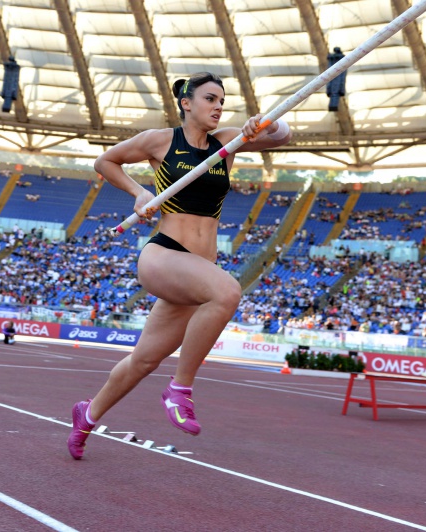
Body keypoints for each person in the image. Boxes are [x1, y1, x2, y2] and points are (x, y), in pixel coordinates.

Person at [67, 72, 292, 459]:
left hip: (196, 271)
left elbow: (284, 136)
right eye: (210, 99)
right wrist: (139, 192)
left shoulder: (228, 141)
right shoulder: (161, 140)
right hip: (164, 255)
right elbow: (105, 161)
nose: (218, 107)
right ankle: (180, 389)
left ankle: (86, 415)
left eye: (222, 101)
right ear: (187, 103)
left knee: (144, 360)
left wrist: (266, 124)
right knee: (228, 292)